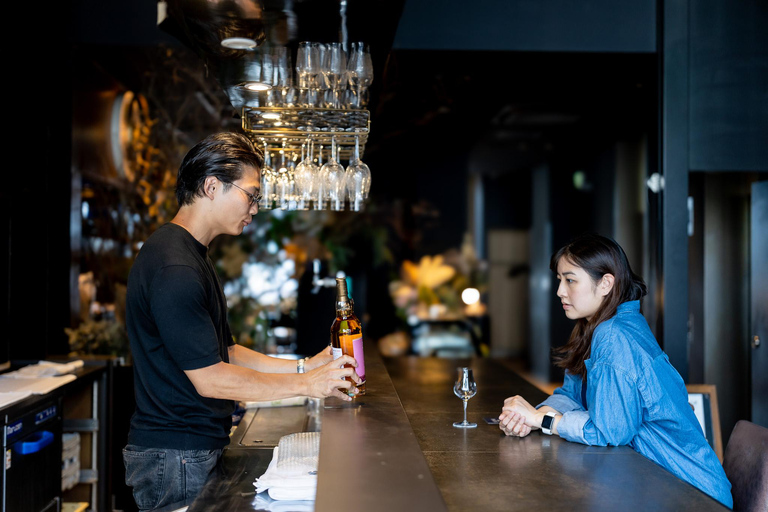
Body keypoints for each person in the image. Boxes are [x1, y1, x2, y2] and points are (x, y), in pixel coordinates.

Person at [123, 132, 361, 511]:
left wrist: (304, 366)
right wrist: (305, 384)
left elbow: (226, 353)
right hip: (175, 456)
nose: (255, 208)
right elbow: (211, 377)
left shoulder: (191, 255)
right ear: (211, 185)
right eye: (251, 195)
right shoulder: (175, 266)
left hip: (186, 451)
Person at [498, 233, 733, 508]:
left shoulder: (614, 334)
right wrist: (530, 416)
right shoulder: (598, 326)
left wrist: (544, 421)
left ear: (606, 283)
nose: (560, 291)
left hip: (691, 493)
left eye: (570, 280)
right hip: (659, 483)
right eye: (559, 280)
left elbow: (610, 432)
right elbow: (571, 394)